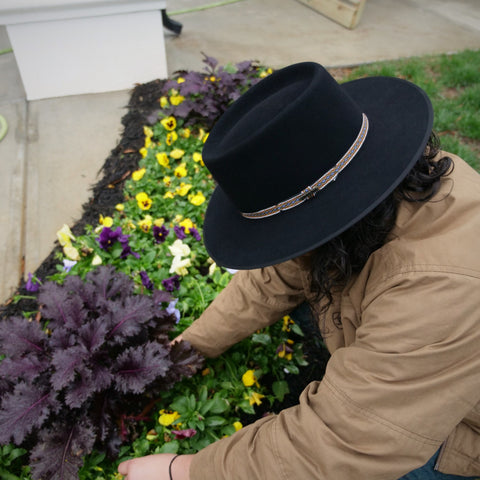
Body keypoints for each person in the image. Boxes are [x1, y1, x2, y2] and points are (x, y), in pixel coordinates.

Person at [118, 62, 480, 480]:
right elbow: (276, 276)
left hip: (463, 432)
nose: (282, 249)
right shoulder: (373, 180)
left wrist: (181, 470)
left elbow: (341, 443)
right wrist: (187, 350)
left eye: (283, 232)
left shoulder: (439, 285)